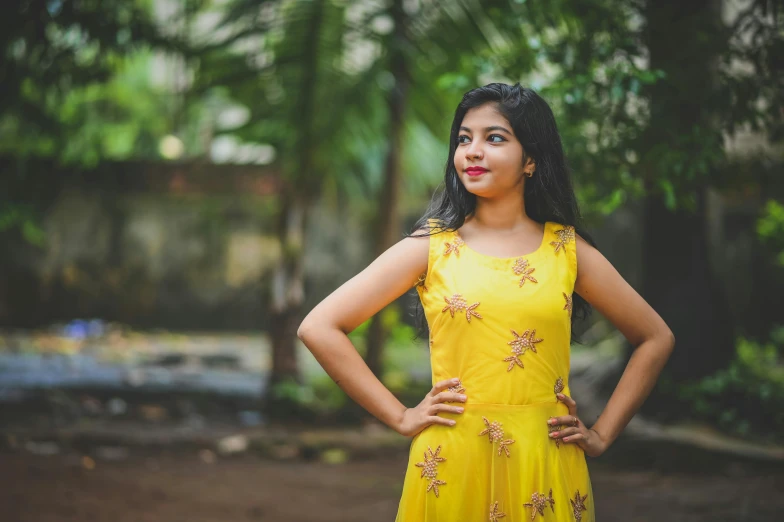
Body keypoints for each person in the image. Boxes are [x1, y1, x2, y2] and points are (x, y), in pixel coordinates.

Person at [297, 83, 675, 521]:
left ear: (531, 159)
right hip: (453, 458)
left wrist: (604, 435)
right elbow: (319, 327)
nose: (472, 151)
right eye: (464, 138)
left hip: (544, 460)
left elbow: (655, 337)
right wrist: (401, 416)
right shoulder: (431, 246)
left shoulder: (567, 251)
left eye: (494, 138)